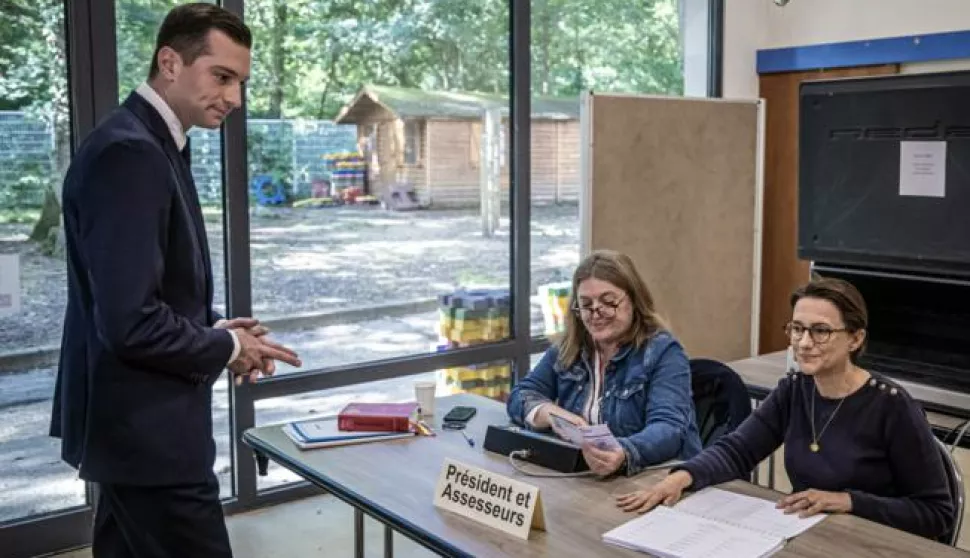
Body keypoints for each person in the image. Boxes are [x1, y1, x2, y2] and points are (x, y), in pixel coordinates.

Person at [49, 4, 301, 557]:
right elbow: (130, 322)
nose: (234, 97)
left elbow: (136, 291)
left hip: (130, 436)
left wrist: (213, 327)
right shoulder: (130, 153)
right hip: (149, 440)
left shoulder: (151, 141)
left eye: (240, 82)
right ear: (169, 61)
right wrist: (226, 344)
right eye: (222, 76)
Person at [616, 277, 955, 541]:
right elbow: (738, 450)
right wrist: (681, 478)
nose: (804, 343)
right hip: (808, 538)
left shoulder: (892, 406)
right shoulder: (795, 389)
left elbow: (937, 514)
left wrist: (850, 501)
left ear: (855, 339)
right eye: (797, 328)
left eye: (821, 331)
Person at [507, 250, 702, 476]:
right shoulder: (570, 347)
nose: (596, 314)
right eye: (586, 305)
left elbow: (669, 429)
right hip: (590, 477)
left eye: (609, 303)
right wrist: (551, 414)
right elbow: (521, 394)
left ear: (634, 301)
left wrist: (624, 451)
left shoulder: (664, 352)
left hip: (656, 477)